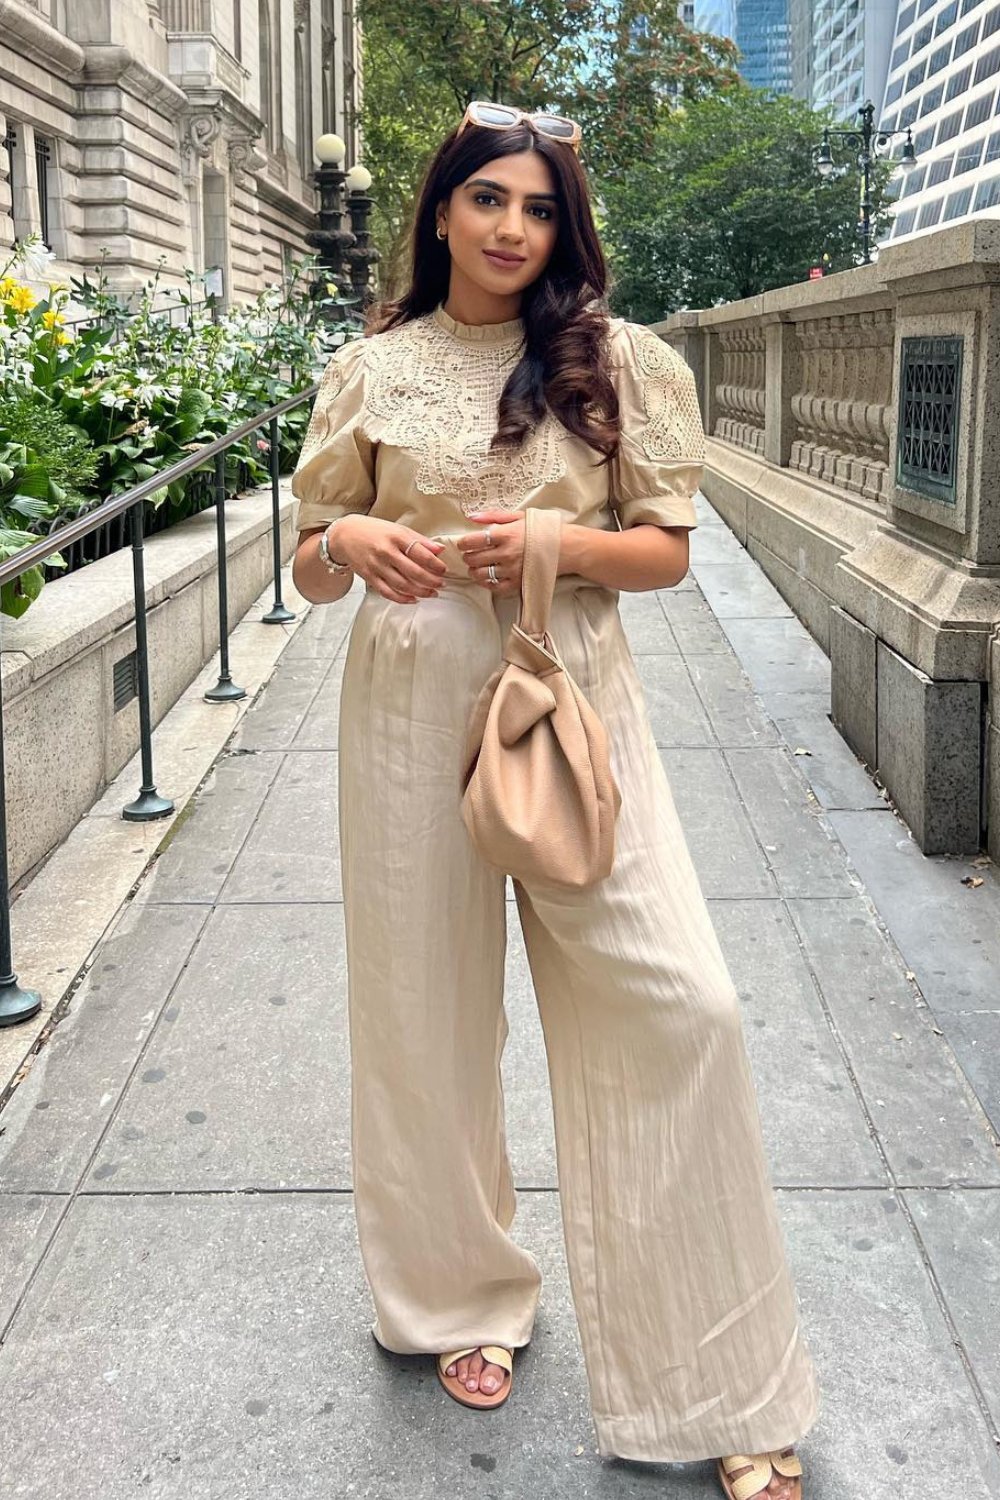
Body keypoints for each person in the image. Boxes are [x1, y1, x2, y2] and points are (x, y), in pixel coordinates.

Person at [290, 101, 820, 1500]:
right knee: (423, 1017)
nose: (513, 229)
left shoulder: (621, 365)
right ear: (443, 211)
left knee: (682, 1003)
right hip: (407, 700)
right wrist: (343, 533)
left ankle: (720, 1373)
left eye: (538, 208)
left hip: (569, 694)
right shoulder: (373, 369)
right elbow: (305, 558)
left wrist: (547, 543)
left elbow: (666, 553)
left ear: (563, 227)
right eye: (488, 202)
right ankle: (460, 1297)